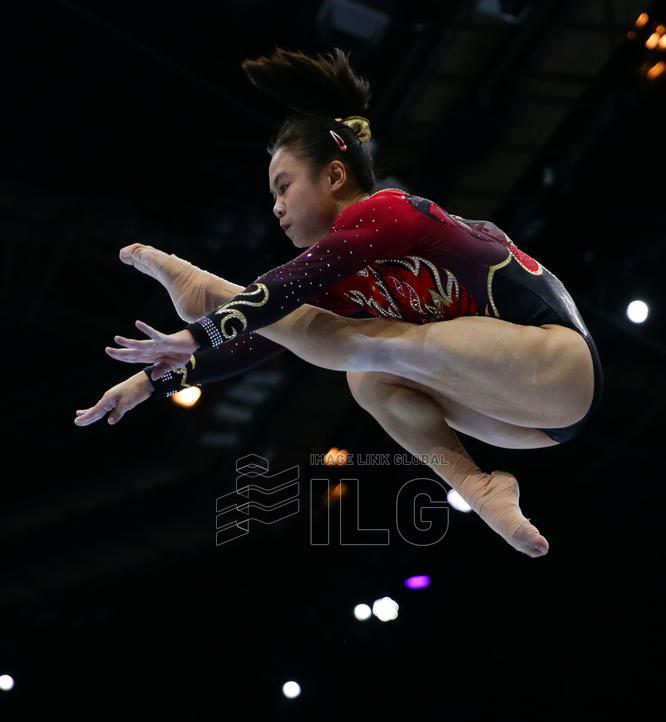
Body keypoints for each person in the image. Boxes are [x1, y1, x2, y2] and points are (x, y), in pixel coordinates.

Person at [74, 46, 604, 559]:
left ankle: (209, 289)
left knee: (365, 346)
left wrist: (200, 328)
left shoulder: (391, 211)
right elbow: (265, 336)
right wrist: (156, 381)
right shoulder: (345, 277)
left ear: (333, 175)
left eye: (284, 187)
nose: (277, 207)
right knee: (364, 373)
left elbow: (288, 285)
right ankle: (478, 486)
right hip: (522, 422)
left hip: (561, 368)